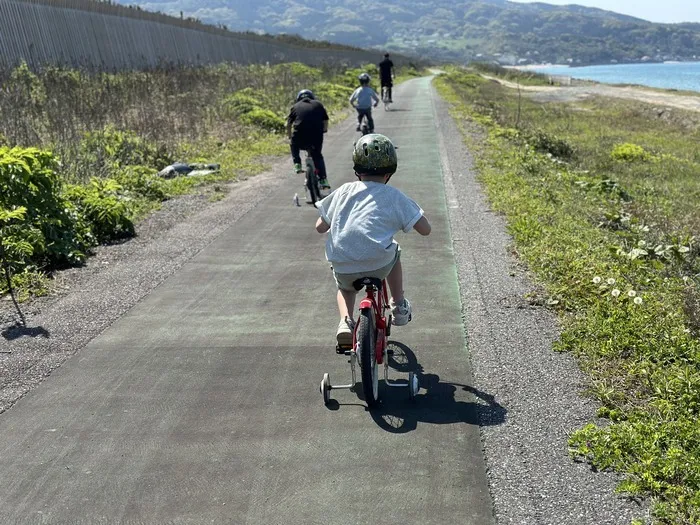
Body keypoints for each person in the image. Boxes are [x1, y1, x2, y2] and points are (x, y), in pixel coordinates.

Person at [314, 134, 432, 347]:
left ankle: (345, 322)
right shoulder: (394, 196)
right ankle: (398, 306)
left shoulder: (344, 191)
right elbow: (425, 230)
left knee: (346, 289)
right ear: (390, 172)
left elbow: (319, 226)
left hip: (344, 264)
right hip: (379, 264)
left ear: (357, 170)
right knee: (395, 252)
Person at [286, 89, 330, 190]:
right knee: (317, 156)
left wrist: (290, 136)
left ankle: (297, 164)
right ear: (312, 97)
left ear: (298, 99)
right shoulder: (319, 104)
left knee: (293, 143)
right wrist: (324, 130)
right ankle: (323, 179)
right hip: (316, 135)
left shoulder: (295, 106)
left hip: (299, 136)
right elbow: (325, 120)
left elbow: (288, 124)